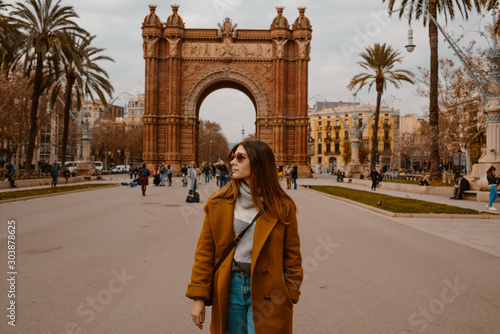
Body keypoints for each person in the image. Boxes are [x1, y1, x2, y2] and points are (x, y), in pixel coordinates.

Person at [186, 140, 303, 333]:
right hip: (229, 288)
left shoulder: (282, 206)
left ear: (259, 163)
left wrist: (289, 294)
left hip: (270, 292)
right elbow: (205, 253)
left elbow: (292, 257)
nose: (233, 162)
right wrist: (198, 297)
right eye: (233, 157)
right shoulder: (218, 202)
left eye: (240, 157)